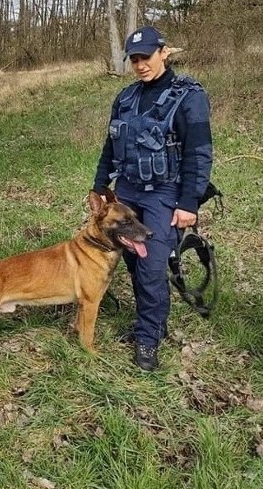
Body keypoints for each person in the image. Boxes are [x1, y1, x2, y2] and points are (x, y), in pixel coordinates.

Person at [93, 26, 212, 371]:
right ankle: (154, 324)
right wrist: (101, 186)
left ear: (164, 53)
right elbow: (109, 146)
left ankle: (147, 339)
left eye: (146, 56)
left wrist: (188, 204)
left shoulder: (188, 96)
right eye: (134, 59)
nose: (140, 64)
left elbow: (199, 152)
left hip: (165, 194)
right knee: (133, 262)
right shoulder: (126, 98)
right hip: (127, 193)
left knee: (150, 268)